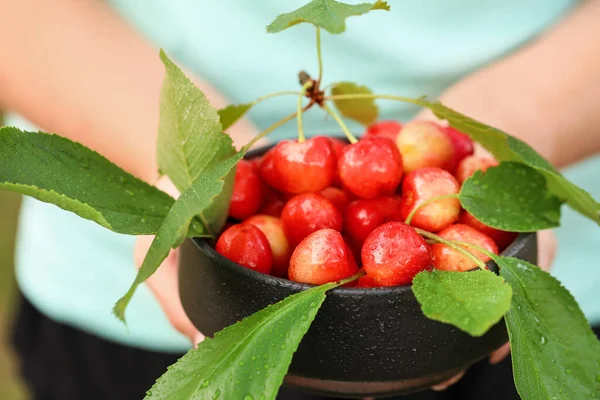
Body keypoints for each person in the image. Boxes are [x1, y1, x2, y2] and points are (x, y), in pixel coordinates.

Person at [1, 0, 599, 399]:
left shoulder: (430, 206)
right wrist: (205, 174)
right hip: (128, 321)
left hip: (528, 307)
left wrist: (494, 141)